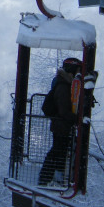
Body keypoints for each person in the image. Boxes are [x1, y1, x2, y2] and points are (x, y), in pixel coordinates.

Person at [38, 57, 81, 187]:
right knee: (57, 151)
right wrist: (76, 118)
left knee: (59, 152)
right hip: (61, 125)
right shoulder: (63, 86)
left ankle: (52, 177)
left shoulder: (64, 84)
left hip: (60, 125)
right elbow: (63, 110)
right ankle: (45, 179)